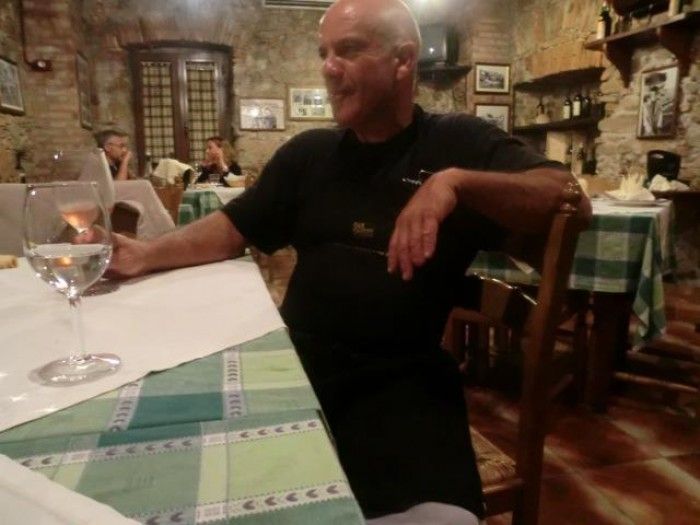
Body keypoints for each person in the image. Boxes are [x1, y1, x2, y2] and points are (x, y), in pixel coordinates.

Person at [106, 0, 591, 521]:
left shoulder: (456, 141)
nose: (329, 68)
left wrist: (454, 183)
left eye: (349, 50)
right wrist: (146, 254)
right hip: (294, 372)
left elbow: (570, 198)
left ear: (403, 60)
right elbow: (232, 227)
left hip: (403, 384)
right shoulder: (311, 153)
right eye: (324, 53)